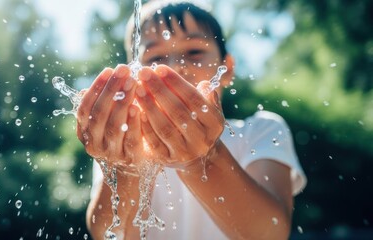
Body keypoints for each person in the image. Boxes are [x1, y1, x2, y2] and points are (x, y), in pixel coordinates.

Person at [76, 0, 307, 239]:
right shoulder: (122, 143)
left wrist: (203, 160)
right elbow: (107, 234)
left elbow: (270, 233)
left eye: (194, 52)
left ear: (226, 68)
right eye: (155, 58)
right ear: (133, 73)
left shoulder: (261, 131)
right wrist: (127, 170)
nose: (176, 67)